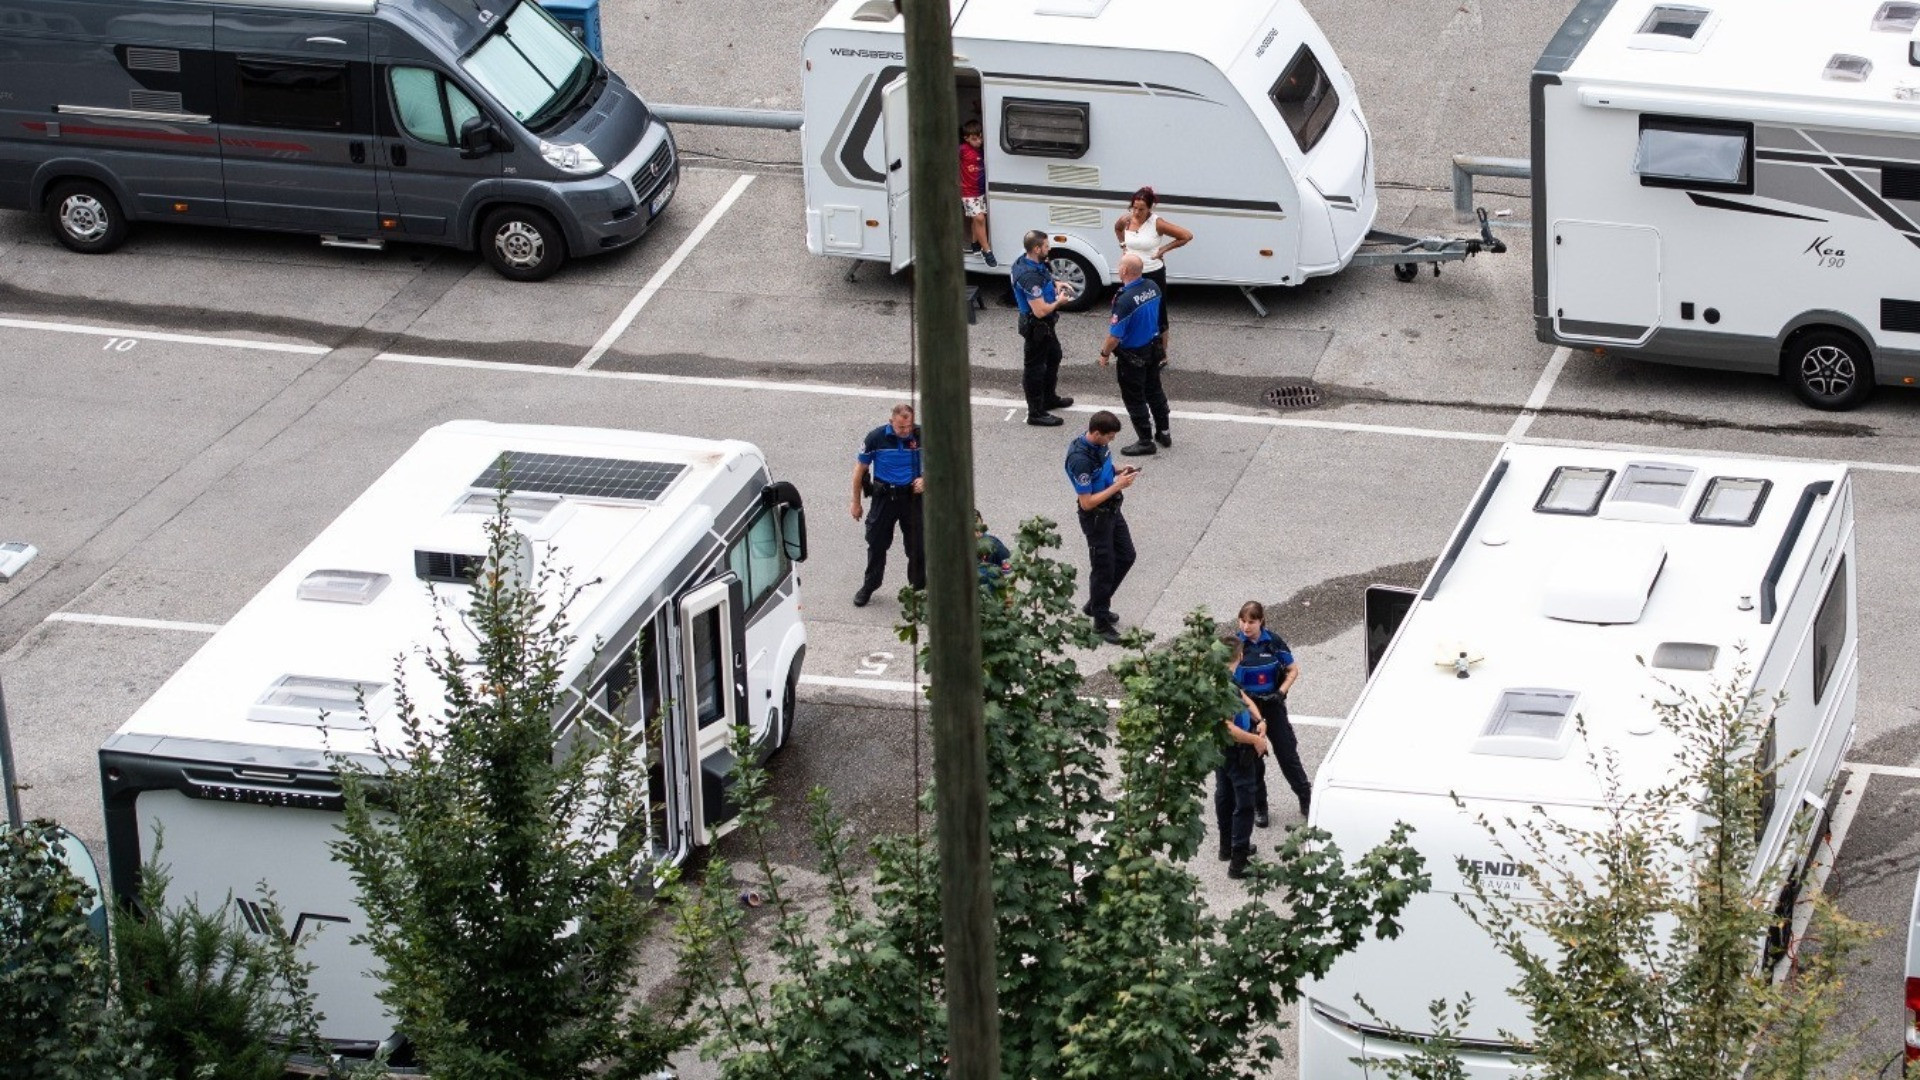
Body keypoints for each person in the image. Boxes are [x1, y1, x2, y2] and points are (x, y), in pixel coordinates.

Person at [1231, 601, 1310, 828]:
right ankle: (1260, 807)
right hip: (1248, 709)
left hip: (1273, 705)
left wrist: (1281, 692)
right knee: (1254, 761)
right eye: (1243, 621)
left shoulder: (1273, 642)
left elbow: (1293, 669)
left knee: (1288, 755)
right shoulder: (1236, 646)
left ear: (1261, 621)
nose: (1246, 627)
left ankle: (1306, 798)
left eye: (1251, 622)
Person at [1063, 411, 1136, 645]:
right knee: (1103, 568)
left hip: (1112, 510)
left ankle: (1096, 605)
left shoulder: (1099, 446)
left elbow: (1105, 465)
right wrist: (1118, 485)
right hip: (1097, 517)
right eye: (1110, 437)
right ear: (1096, 433)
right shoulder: (1080, 460)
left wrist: (1118, 470)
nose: (1112, 441)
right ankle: (1101, 623)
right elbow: (1087, 502)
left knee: (1126, 556)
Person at [850, 403, 926, 606]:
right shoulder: (876, 438)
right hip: (885, 499)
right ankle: (870, 585)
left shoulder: (921, 436)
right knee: (876, 544)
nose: (906, 431)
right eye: (901, 427)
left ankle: (918, 591)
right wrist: (856, 503)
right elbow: (859, 471)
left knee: (918, 547)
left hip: (912, 499)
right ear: (891, 422)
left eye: (908, 426)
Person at [1098, 253, 1171, 457]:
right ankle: (1164, 432)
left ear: (1123, 271)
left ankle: (1145, 441)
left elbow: (1114, 337)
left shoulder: (1125, 300)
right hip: (1153, 348)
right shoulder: (1152, 287)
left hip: (1133, 356)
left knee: (1134, 398)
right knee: (1155, 391)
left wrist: (1104, 354)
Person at [1112, 187, 1191, 361]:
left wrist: (1163, 249)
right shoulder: (1126, 220)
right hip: (1132, 275)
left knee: (1158, 312)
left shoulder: (1157, 223)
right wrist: (1124, 247)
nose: (1137, 212)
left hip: (1152, 273)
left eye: (1141, 209)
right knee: (1132, 310)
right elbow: (1117, 229)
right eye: (1134, 208)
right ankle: (1135, 346)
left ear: (1150, 208)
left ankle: (1162, 354)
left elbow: (1186, 236)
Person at [1010, 229, 1076, 426]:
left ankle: (1049, 397)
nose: (1049, 249)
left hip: (1046, 326)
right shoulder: (1028, 276)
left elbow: (1044, 277)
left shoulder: (1032, 261)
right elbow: (1040, 311)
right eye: (1046, 246)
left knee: (1054, 356)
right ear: (1037, 248)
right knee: (1035, 369)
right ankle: (1036, 412)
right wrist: (1060, 301)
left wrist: (1056, 283)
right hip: (1036, 325)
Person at [1216, 689, 1269, 880]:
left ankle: (1227, 846)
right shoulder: (1224, 687)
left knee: (1224, 795)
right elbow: (1227, 727)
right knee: (1245, 803)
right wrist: (1255, 739)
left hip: (1221, 748)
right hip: (1237, 751)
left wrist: (1260, 720)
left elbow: (1244, 697)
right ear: (1240, 656)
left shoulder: (1223, 678)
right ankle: (1239, 862)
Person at [959, 120, 995, 267]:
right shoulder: (962, 149)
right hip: (968, 192)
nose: (979, 141)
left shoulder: (982, 150)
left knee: (978, 219)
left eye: (980, 138)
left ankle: (975, 244)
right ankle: (987, 251)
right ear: (966, 138)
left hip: (981, 191)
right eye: (974, 139)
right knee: (980, 219)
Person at [975, 511, 1011, 592]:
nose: (977, 531)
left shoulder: (996, 546)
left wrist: (1009, 600)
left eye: (979, 526)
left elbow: (1009, 576)